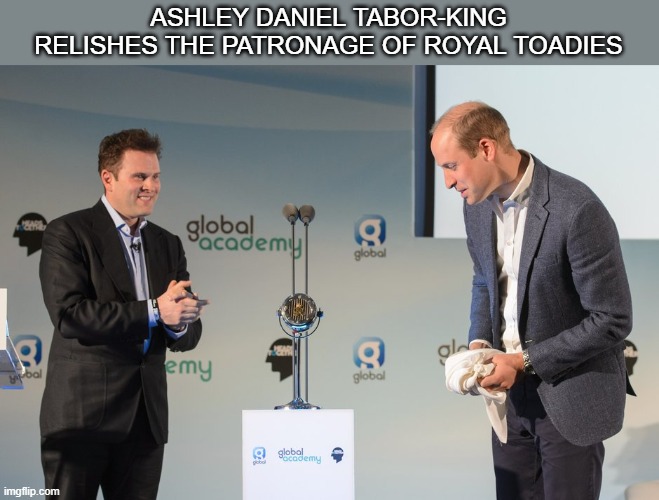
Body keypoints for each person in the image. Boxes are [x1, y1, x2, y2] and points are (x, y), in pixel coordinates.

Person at [430, 102, 633, 499]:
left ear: (486, 148)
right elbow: (485, 280)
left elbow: (612, 318)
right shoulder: (475, 207)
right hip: (510, 401)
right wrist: (479, 345)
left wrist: (523, 362)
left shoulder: (576, 209)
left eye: (452, 166)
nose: (448, 182)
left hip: (571, 397)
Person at [38, 128, 209, 500]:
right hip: (81, 422)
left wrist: (179, 323)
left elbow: (187, 333)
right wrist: (155, 310)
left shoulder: (167, 244)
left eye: (156, 177)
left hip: (145, 423)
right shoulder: (68, 232)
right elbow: (70, 315)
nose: (151, 186)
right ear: (108, 178)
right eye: (140, 176)